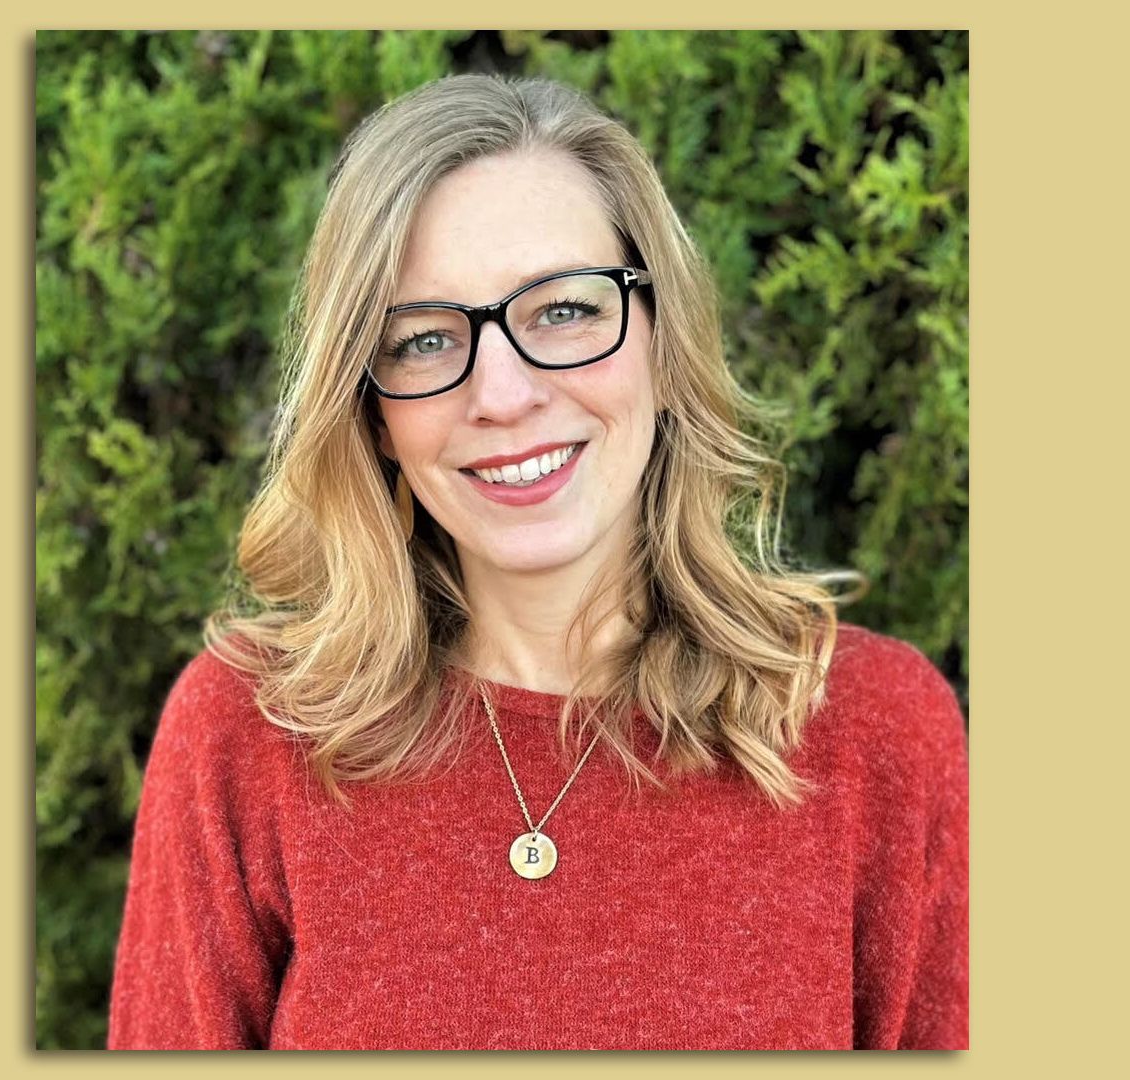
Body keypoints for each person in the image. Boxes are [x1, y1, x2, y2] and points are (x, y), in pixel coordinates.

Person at [106, 73, 967, 1051]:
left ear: (663, 342)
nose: (504, 395)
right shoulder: (249, 738)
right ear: (373, 413)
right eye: (424, 340)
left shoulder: (872, 734)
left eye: (562, 311)